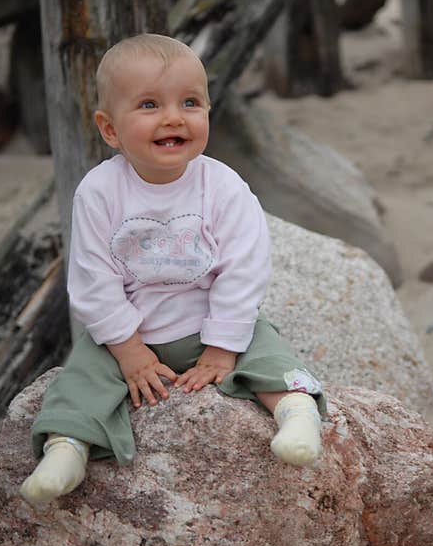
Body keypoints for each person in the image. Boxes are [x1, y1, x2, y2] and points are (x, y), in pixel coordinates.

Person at [20, 34, 326, 506]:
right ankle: (68, 448)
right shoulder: (99, 192)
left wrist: (223, 348)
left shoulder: (222, 185)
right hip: (133, 331)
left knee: (269, 353)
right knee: (82, 376)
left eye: (190, 102)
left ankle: (296, 413)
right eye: (148, 104)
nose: (173, 117)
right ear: (110, 129)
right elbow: (92, 279)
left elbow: (244, 268)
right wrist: (129, 352)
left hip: (209, 323)